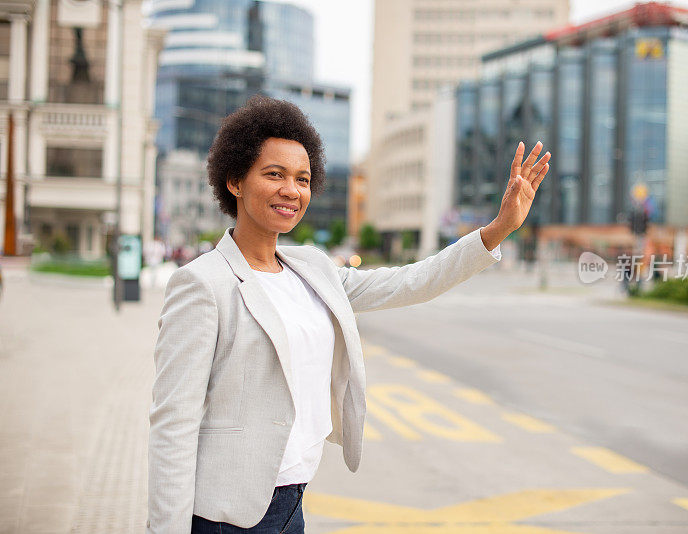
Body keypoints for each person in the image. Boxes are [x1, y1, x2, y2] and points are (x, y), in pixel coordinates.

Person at [146, 95, 551, 534]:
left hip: (291, 503)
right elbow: (173, 424)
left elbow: (412, 281)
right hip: (227, 515)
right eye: (274, 174)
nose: (291, 190)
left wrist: (499, 229)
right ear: (235, 182)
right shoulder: (202, 284)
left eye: (302, 179)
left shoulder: (313, 270)